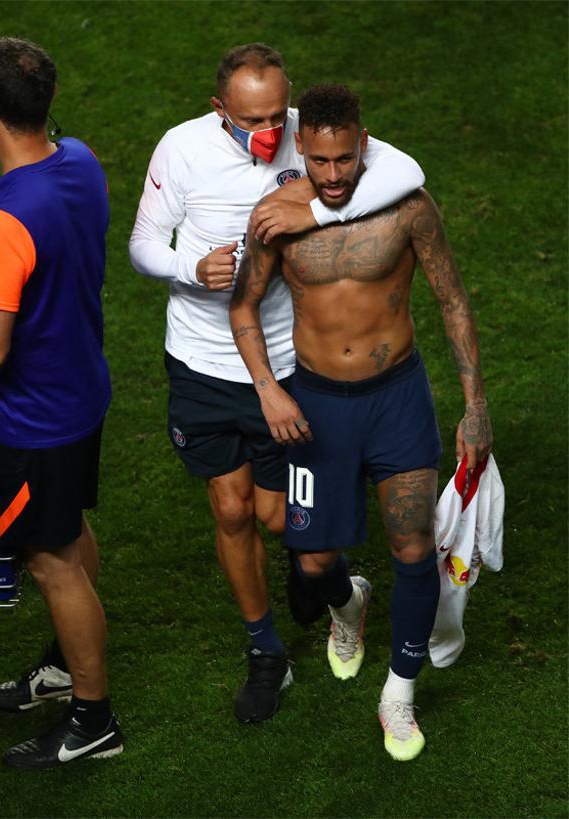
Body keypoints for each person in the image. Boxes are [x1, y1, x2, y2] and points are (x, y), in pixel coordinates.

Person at [129, 42, 426, 724]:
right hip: (201, 363)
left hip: (289, 366)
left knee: (277, 516)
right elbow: (143, 244)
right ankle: (266, 651)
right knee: (231, 510)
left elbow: (407, 171)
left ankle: (337, 586)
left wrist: (315, 214)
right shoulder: (180, 149)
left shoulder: (308, 135)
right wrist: (187, 268)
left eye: (276, 115)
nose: (270, 133)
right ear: (219, 109)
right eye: (251, 121)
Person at [229, 83, 493, 759]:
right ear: (302, 149)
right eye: (319, 160)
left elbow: (453, 300)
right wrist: (268, 390)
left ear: (364, 144)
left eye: (344, 158)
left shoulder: (408, 209)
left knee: (414, 545)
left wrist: (475, 406)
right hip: (316, 405)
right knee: (313, 561)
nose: (332, 174)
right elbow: (243, 305)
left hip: (397, 399)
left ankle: (398, 691)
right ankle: (349, 603)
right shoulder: (276, 218)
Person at [0, 37, 123, 769]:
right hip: (83, 391)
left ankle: (93, 721)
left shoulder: (1, 223)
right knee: (68, 528)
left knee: (50, 561)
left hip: (34, 419)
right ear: (49, 99)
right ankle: (64, 666)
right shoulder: (83, 161)